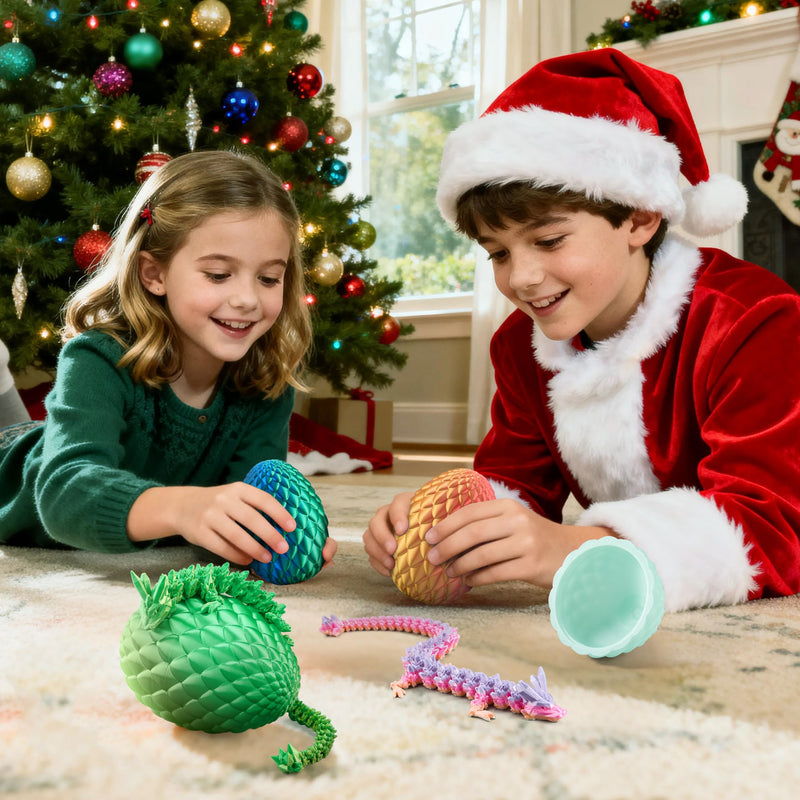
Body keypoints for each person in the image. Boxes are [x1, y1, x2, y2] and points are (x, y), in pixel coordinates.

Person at [363, 48, 800, 613]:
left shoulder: (754, 319)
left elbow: (771, 527)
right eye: (497, 253)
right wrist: (451, 523)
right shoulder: (522, 348)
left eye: (548, 241)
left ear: (640, 217)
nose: (521, 278)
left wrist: (573, 548)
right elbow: (516, 482)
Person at [0, 149, 337, 570]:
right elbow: (64, 494)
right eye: (218, 274)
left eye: (269, 278)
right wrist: (184, 508)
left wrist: (276, 535)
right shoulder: (97, 357)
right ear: (153, 274)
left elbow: (242, 506)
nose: (248, 299)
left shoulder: (267, 382)